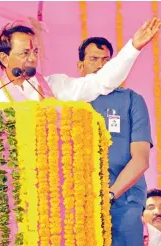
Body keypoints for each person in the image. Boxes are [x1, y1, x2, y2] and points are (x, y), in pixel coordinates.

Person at [77, 20, 161, 245]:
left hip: (123, 201)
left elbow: (141, 159)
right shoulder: (71, 102)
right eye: (93, 59)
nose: (101, 65)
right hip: (79, 201)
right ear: (80, 66)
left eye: (106, 60)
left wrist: (110, 195)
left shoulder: (132, 99)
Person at [0, 17, 161, 103]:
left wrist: (133, 48)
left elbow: (100, 82)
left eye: (35, 51)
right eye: (24, 53)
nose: (33, 58)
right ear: (4, 58)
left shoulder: (54, 86)